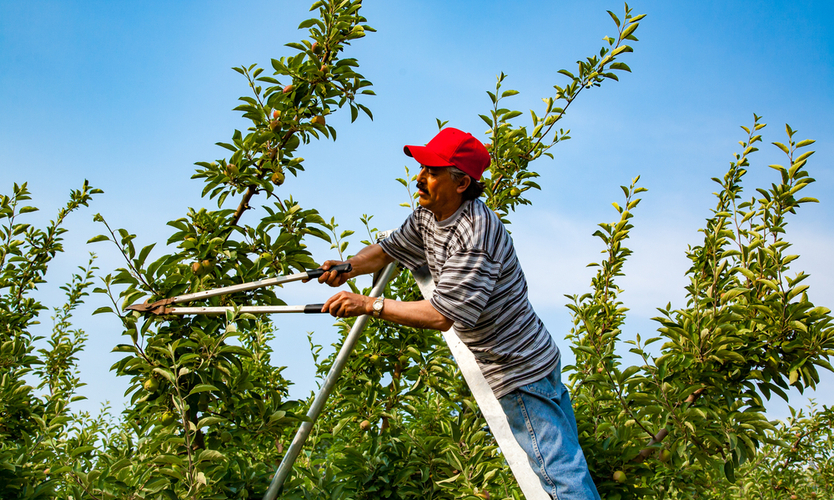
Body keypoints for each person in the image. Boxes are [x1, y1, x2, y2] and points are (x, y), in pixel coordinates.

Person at [317, 127, 600, 500]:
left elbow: (441, 315)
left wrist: (368, 305)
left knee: (559, 475)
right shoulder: (428, 216)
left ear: (462, 182)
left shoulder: (474, 236)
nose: (419, 177)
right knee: (568, 466)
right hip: (536, 354)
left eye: (432, 171)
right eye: (421, 168)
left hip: (519, 370)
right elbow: (387, 250)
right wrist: (348, 267)